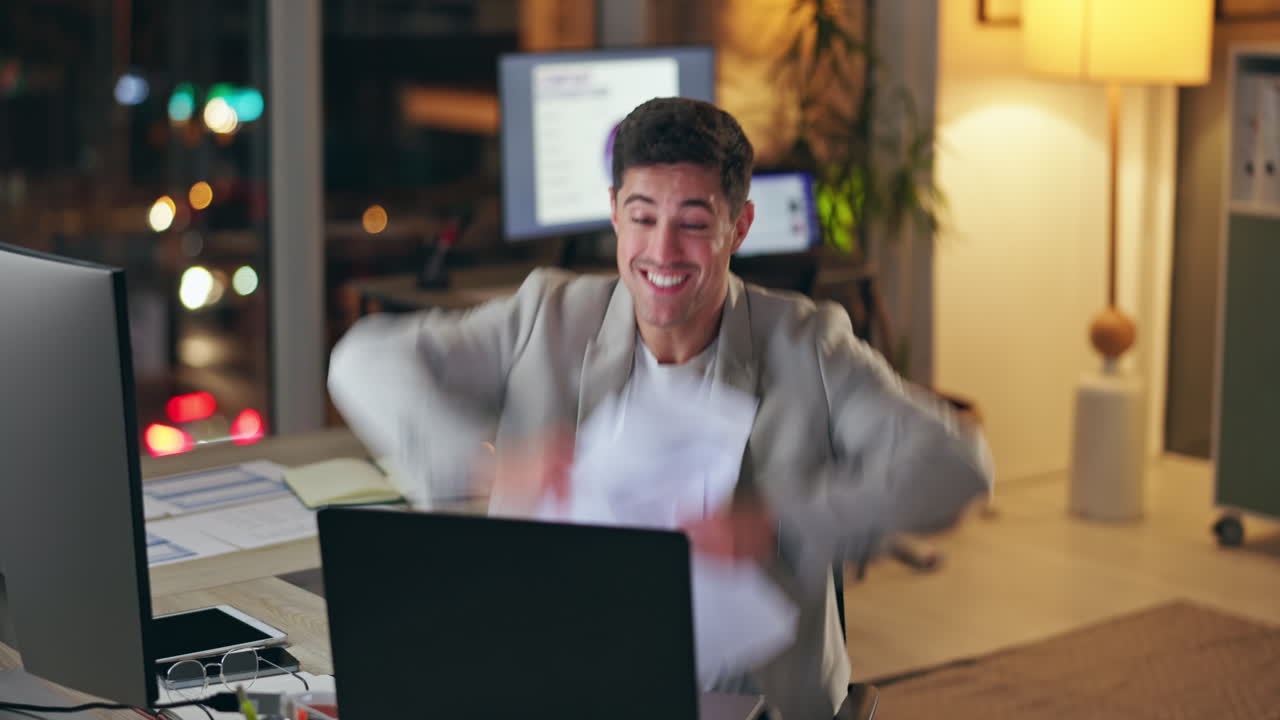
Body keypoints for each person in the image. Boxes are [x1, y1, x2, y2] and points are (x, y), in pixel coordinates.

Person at [328, 97, 993, 720]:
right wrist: (490, 467)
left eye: (694, 225)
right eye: (643, 217)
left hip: (744, 696)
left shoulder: (809, 342)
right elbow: (363, 362)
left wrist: (773, 520)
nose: (663, 252)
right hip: (568, 675)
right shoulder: (548, 314)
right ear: (615, 211)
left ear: (740, 226)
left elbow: (955, 462)